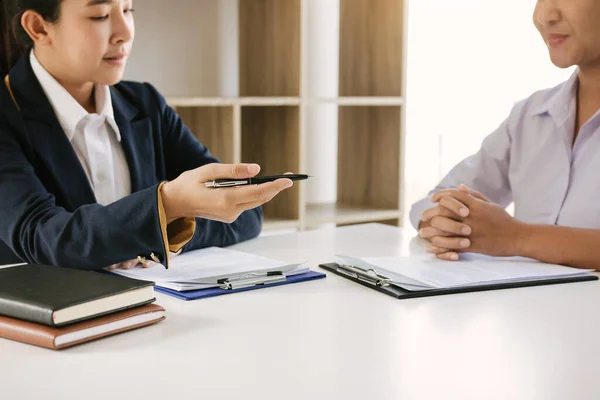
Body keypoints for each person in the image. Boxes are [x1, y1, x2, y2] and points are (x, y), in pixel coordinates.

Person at [0, 0, 293, 270]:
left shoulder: (146, 104)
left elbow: (244, 214)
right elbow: (43, 238)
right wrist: (165, 207)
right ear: (38, 27)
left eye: (128, 10)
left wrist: (156, 235)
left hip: (155, 314)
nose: (124, 32)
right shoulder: (7, 114)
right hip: (50, 321)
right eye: (100, 15)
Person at [410, 0, 600, 270]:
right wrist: (447, 222)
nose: (544, 15)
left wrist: (515, 237)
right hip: (527, 309)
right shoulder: (531, 115)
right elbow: (440, 198)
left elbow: (508, 237)